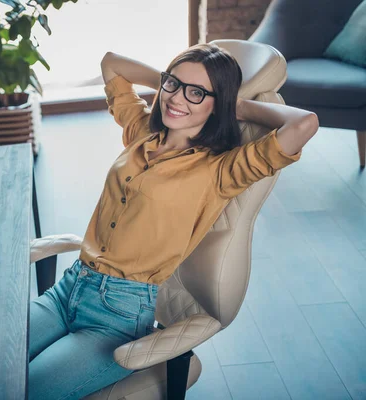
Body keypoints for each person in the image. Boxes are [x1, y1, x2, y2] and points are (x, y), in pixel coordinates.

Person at [28, 43, 319, 400]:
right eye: (173, 85)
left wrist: (234, 104)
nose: (177, 99)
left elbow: (304, 123)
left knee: (22, 388)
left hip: (115, 316)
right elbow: (111, 64)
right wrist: (175, 82)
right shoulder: (142, 134)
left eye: (197, 93)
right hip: (69, 288)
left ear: (218, 104)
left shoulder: (221, 171)